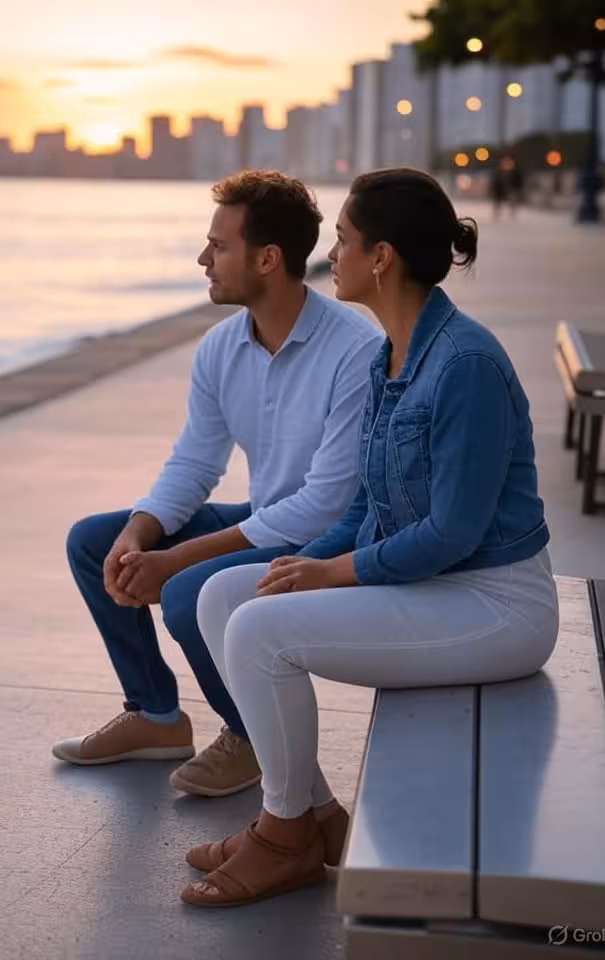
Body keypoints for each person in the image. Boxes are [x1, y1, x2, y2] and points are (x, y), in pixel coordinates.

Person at [183, 168, 559, 907]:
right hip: (435, 585)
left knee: (260, 634)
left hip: (496, 605)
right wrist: (307, 562)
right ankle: (313, 817)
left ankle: (282, 834)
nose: (332, 257)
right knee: (227, 594)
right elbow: (367, 507)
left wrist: (334, 574)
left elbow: (452, 532)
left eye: (345, 242)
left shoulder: (466, 365)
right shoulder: (384, 355)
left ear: (381, 257)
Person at [52, 171, 384, 800]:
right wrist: (139, 531)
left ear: (267, 259)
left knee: (183, 592)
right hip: (265, 518)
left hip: (332, 542)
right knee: (95, 542)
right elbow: (195, 463)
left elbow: (327, 504)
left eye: (218, 247)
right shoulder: (221, 346)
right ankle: (156, 717)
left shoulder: (355, 350)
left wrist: (177, 557)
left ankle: (250, 736)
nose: (203, 259)